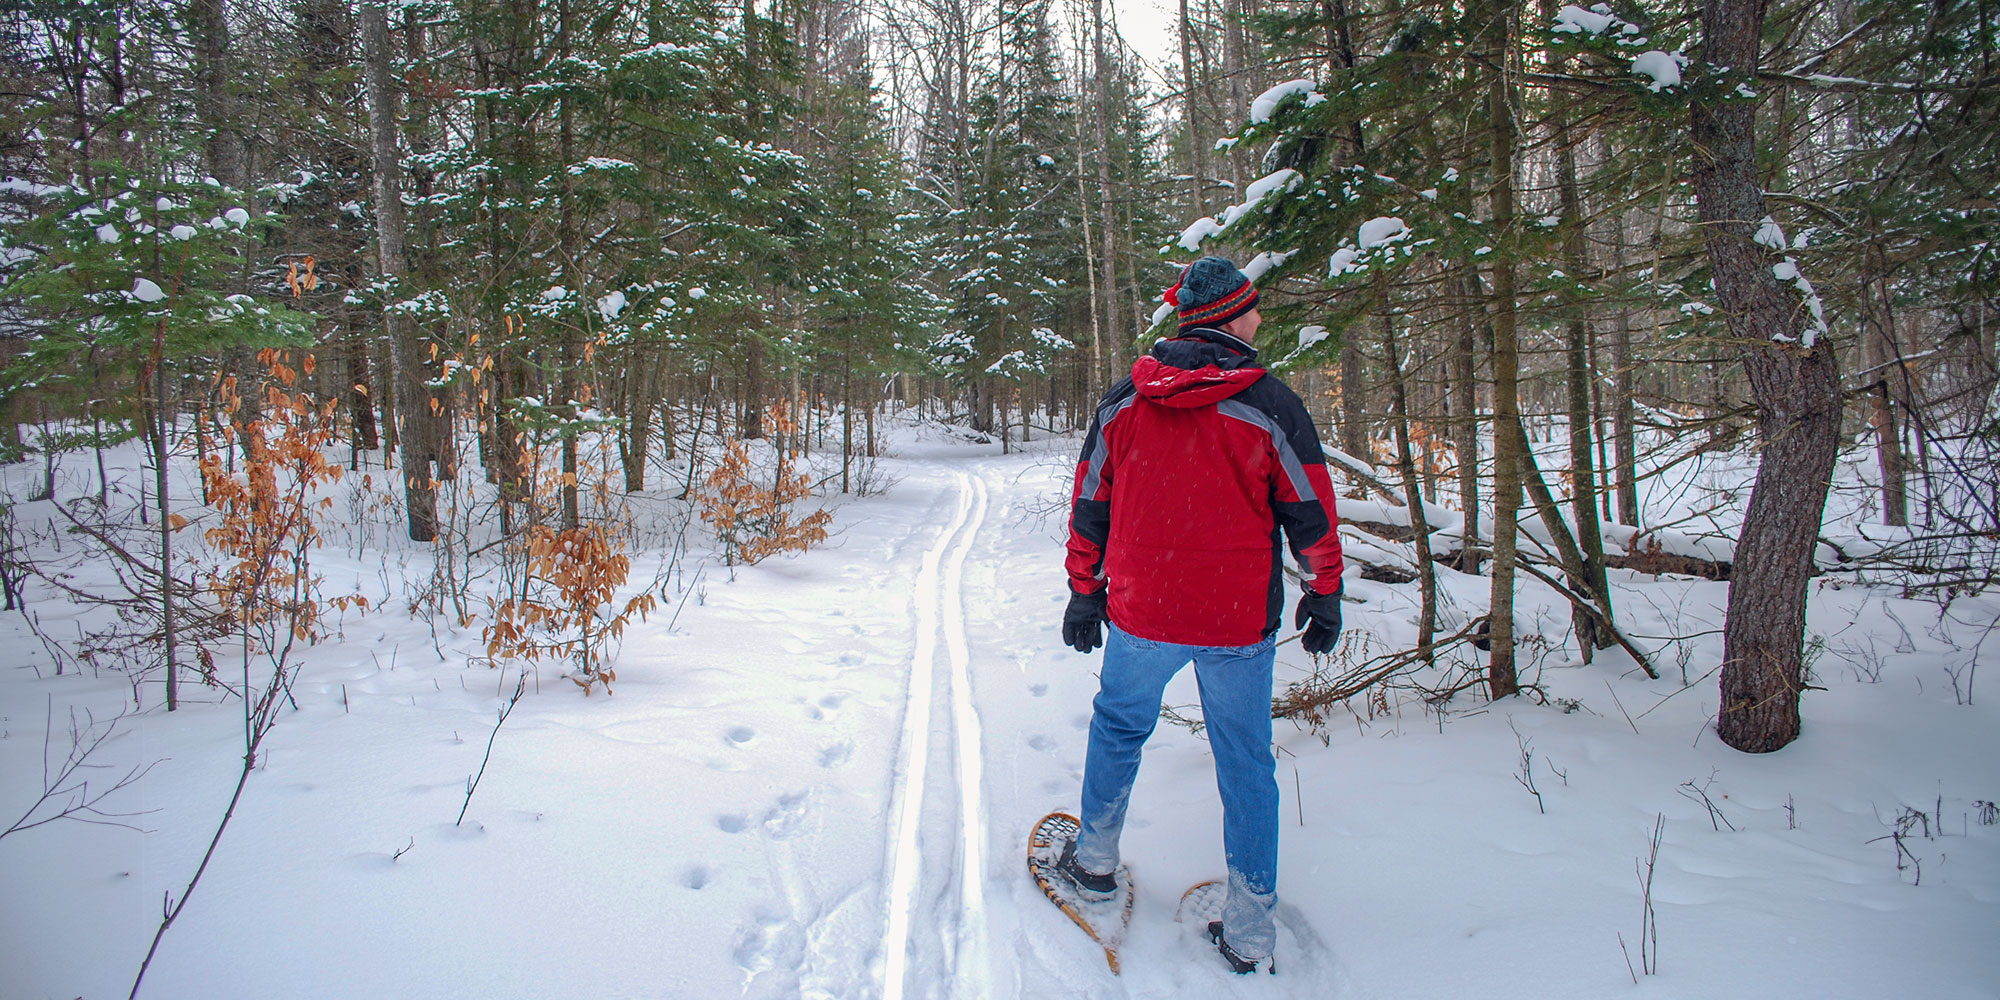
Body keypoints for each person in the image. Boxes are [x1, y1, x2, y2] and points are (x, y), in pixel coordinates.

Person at [1056, 255, 1345, 974]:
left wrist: (1085, 589)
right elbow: (1309, 512)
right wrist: (1325, 589)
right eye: (1251, 309)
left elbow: (1091, 504)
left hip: (1143, 612)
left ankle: (1093, 861)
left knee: (1120, 726)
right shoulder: (1270, 404)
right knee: (1246, 762)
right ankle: (1248, 931)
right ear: (1226, 318)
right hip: (1236, 621)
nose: (1259, 319)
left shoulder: (1125, 401)